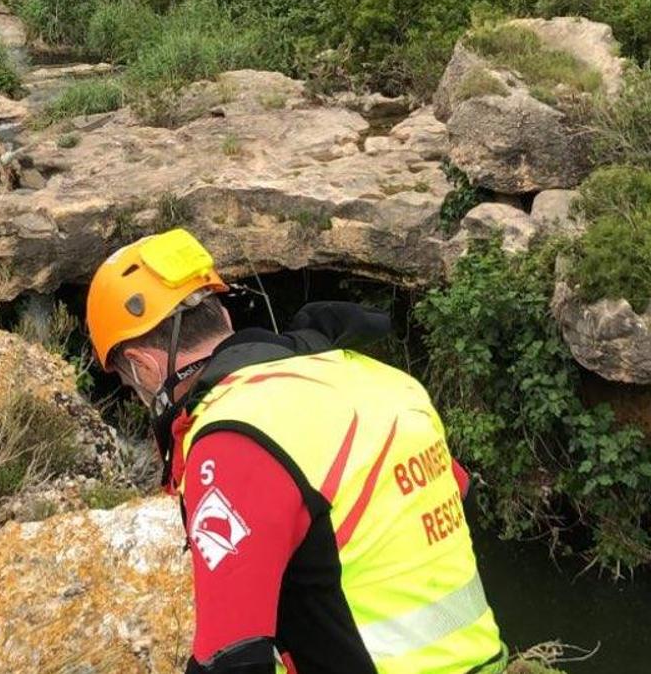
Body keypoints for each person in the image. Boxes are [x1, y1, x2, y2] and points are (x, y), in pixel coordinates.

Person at [86, 228, 506, 674]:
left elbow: (230, 658)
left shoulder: (233, 439)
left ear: (144, 367)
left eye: (129, 383)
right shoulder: (383, 381)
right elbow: (456, 496)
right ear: (225, 318)